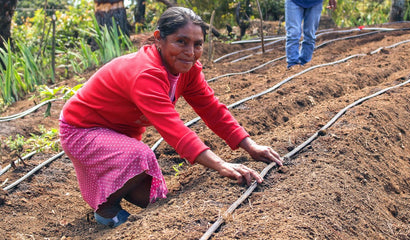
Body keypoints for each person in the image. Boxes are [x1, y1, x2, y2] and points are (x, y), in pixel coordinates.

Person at [59, 7, 283, 228]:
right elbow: (173, 129)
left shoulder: (189, 70)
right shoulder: (145, 73)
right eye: (181, 42)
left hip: (120, 133)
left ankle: (110, 183)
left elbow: (211, 109)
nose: (190, 52)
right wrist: (221, 164)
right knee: (140, 156)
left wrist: (250, 146)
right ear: (159, 39)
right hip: (81, 129)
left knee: (152, 198)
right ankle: (106, 208)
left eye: (198, 45)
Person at [285, 0, 337, 68]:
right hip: (294, 1)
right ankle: (292, 64)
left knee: (310, 34)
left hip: (315, 2)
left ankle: (304, 63)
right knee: (293, 33)